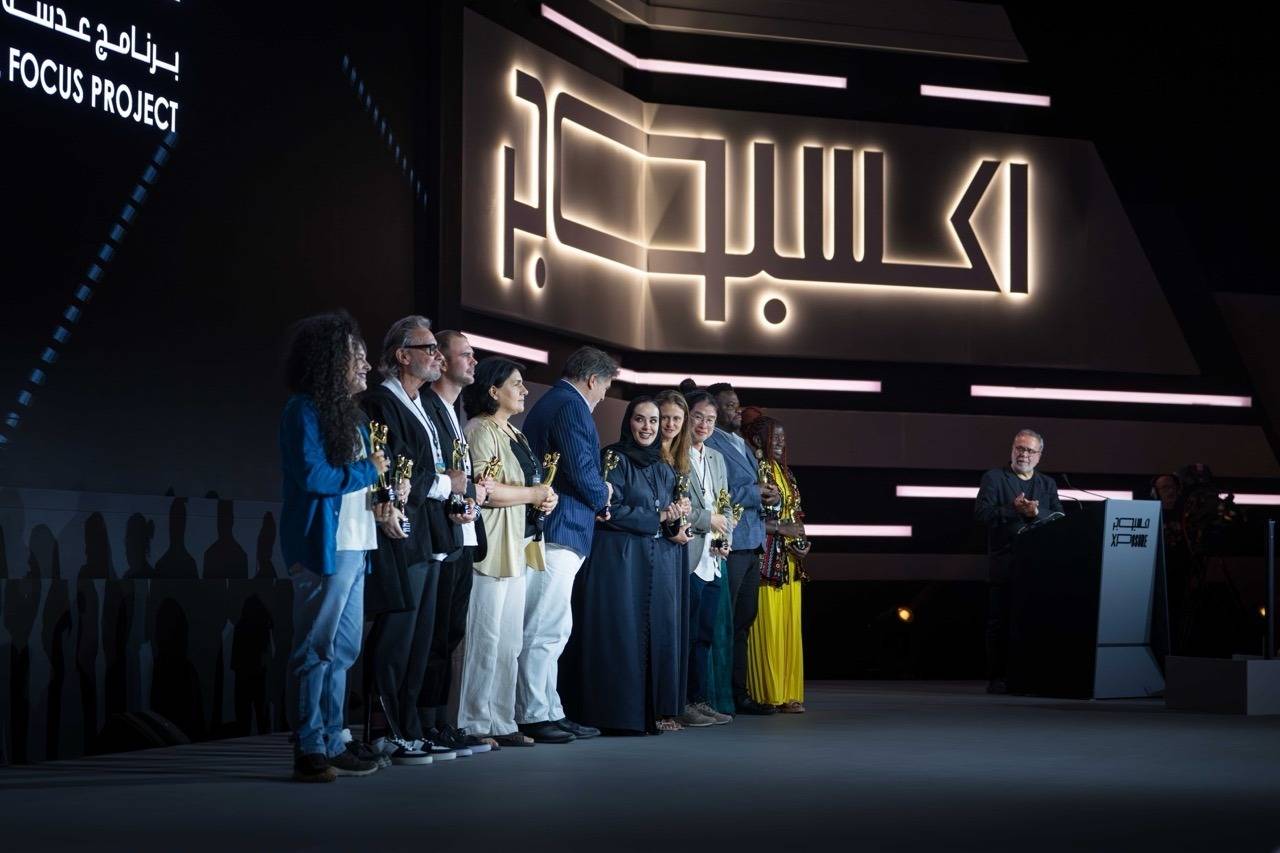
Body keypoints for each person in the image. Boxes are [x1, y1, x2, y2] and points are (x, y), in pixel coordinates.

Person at [280, 311, 390, 782]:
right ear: (328, 361)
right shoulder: (303, 411)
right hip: (324, 547)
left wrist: (386, 494)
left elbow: (358, 484)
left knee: (343, 649)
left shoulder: (354, 418)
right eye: (355, 356)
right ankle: (309, 746)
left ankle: (332, 738)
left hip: (356, 545)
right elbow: (314, 477)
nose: (365, 365)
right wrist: (370, 470)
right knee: (315, 648)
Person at [360, 315, 466, 764]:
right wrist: (445, 484)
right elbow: (393, 468)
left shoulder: (420, 402)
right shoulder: (381, 403)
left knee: (421, 640)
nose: (437, 356)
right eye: (429, 349)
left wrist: (454, 495)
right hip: (401, 534)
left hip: (431, 535)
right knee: (397, 637)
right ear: (403, 355)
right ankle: (384, 730)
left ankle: (410, 728)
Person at [566, 398, 688, 734]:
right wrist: (658, 516)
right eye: (640, 419)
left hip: (652, 560)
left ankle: (649, 713)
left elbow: (665, 513)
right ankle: (615, 715)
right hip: (617, 561)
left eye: (653, 421)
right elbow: (608, 510)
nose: (647, 428)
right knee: (620, 635)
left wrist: (675, 518)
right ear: (628, 422)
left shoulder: (663, 465)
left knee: (650, 636)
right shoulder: (614, 458)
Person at [517, 346, 619, 743]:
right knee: (544, 625)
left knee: (554, 625)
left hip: (560, 527)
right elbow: (580, 468)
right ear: (593, 380)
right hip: (558, 528)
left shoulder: (558, 401)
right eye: (606, 387)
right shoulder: (571, 406)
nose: (604, 395)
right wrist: (604, 496)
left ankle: (549, 709)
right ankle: (533, 713)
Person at [457, 357, 558, 747]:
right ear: (493, 391)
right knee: (484, 638)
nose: (524, 390)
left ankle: (501, 720)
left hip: (519, 543)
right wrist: (533, 494)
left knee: (509, 641)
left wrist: (545, 497)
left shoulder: (515, 433)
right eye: (516, 383)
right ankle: (473, 722)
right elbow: (486, 491)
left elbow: (528, 484)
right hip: (492, 545)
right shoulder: (480, 429)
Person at [419, 330, 493, 753]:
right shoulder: (428, 407)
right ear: (442, 362)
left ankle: (438, 723)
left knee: (449, 635)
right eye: (465, 354)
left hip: (463, 534)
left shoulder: (451, 409)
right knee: (434, 636)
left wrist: (470, 495)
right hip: (439, 538)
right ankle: (423, 724)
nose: (473, 361)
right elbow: (436, 475)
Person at [703, 382, 780, 716]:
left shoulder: (741, 443)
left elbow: (752, 487)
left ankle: (738, 693)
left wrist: (769, 497)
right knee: (724, 621)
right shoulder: (711, 442)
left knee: (743, 621)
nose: (737, 410)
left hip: (752, 542)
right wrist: (754, 493)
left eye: (737, 404)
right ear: (714, 410)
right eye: (730, 405)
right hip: (731, 544)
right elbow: (716, 493)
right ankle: (717, 694)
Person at [974, 428, 1063, 694]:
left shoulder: (1047, 484)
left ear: (1039, 455)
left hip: (1038, 567)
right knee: (1000, 623)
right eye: (1019, 449)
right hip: (1004, 563)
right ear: (1012, 450)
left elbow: (1059, 518)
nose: (1024, 454)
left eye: (1029, 450)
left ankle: (1031, 676)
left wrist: (1036, 512)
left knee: (1034, 624)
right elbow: (982, 514)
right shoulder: (994, 478)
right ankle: (997, 677)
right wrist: (1012, 509)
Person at [743, 413, 810, 713]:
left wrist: (802, 540)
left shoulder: (787, 473)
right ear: (758, 440)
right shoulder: (755, 470)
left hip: (790, 561)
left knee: (788, 627)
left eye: (783, 437)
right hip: (766, 560)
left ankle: (789, 693)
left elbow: (796, 514)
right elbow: (746, 518)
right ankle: (767, 693)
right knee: (768, 626)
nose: (781, 442)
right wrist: (782, 529)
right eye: (775, 437)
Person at [681, 390, 734, 726]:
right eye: (698, 416)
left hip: (713, 558)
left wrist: (725, 538)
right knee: (686, 636)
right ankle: (682, 702)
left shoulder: (716, 457)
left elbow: (725, 505)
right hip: (688, 555)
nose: (704, 424)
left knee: (704, 635)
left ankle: (700, 699)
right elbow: (675, 506)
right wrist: (707, 520)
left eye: (710, 419)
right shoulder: (675, 455)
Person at [653, 389, 695, 731]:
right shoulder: (649, 454)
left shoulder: (680, 457)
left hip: (676, 546)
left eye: (676, 419)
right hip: (656, 547)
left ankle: (670, 707)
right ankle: (658, 709)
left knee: (674, 626)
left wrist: (683, 518)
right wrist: (669, 527)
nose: (668, 424)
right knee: (660, 626)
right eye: (664, 417)